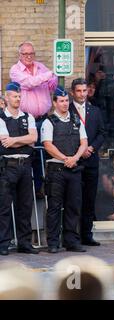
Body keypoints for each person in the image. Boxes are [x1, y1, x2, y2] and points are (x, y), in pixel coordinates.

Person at [41, 86, 88, 253]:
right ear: (54, 103)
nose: (65, 103)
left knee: (73, 206)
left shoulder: (76, 120)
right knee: (54, 207)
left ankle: (71, 241)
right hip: (56, 170)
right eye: (61, 101)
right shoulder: (49, 121)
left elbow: (84, 143)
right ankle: (53, 243)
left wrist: (74, 158)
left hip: (74, 169)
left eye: (67, 100)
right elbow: (48, 145)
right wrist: (65, 159)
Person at [10, 41, 58, 199]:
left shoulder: (40, 67)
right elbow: (29, 83)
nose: (29, 56)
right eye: (25, 54)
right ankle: (28, 190)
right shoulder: (15, 70)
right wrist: (47, 76)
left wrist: (52, 79)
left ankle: (42, 188)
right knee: (30, 154)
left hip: (44, 119)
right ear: (20, 55)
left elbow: (52, 84)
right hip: (26, 120)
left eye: (31, 53)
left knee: (45, 154)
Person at [0, 82, 39, 255]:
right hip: (8, 167)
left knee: (25, 206)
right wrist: (24, 140)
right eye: (15, 96)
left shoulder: (28, 116)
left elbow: (33, 138)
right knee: (4, 207)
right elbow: (4, 142)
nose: (17, 99)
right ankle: (3, 244)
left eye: (19, 96)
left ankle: (24, 243)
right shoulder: (1, 117)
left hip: (25, 166)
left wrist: (15, 140)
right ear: (7, 97)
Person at [69, 78, 106, 246]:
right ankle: (72, 236)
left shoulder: (95, 111)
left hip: (91, 160)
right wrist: (79, 150)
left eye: (85, 90)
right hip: (74, 162)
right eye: (79, 91)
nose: (82, 94)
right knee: (74, 200)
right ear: (73, 92)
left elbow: (102, 133)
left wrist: (91, 148)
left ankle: (86, 235)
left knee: (89, 199)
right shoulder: (67, 110)